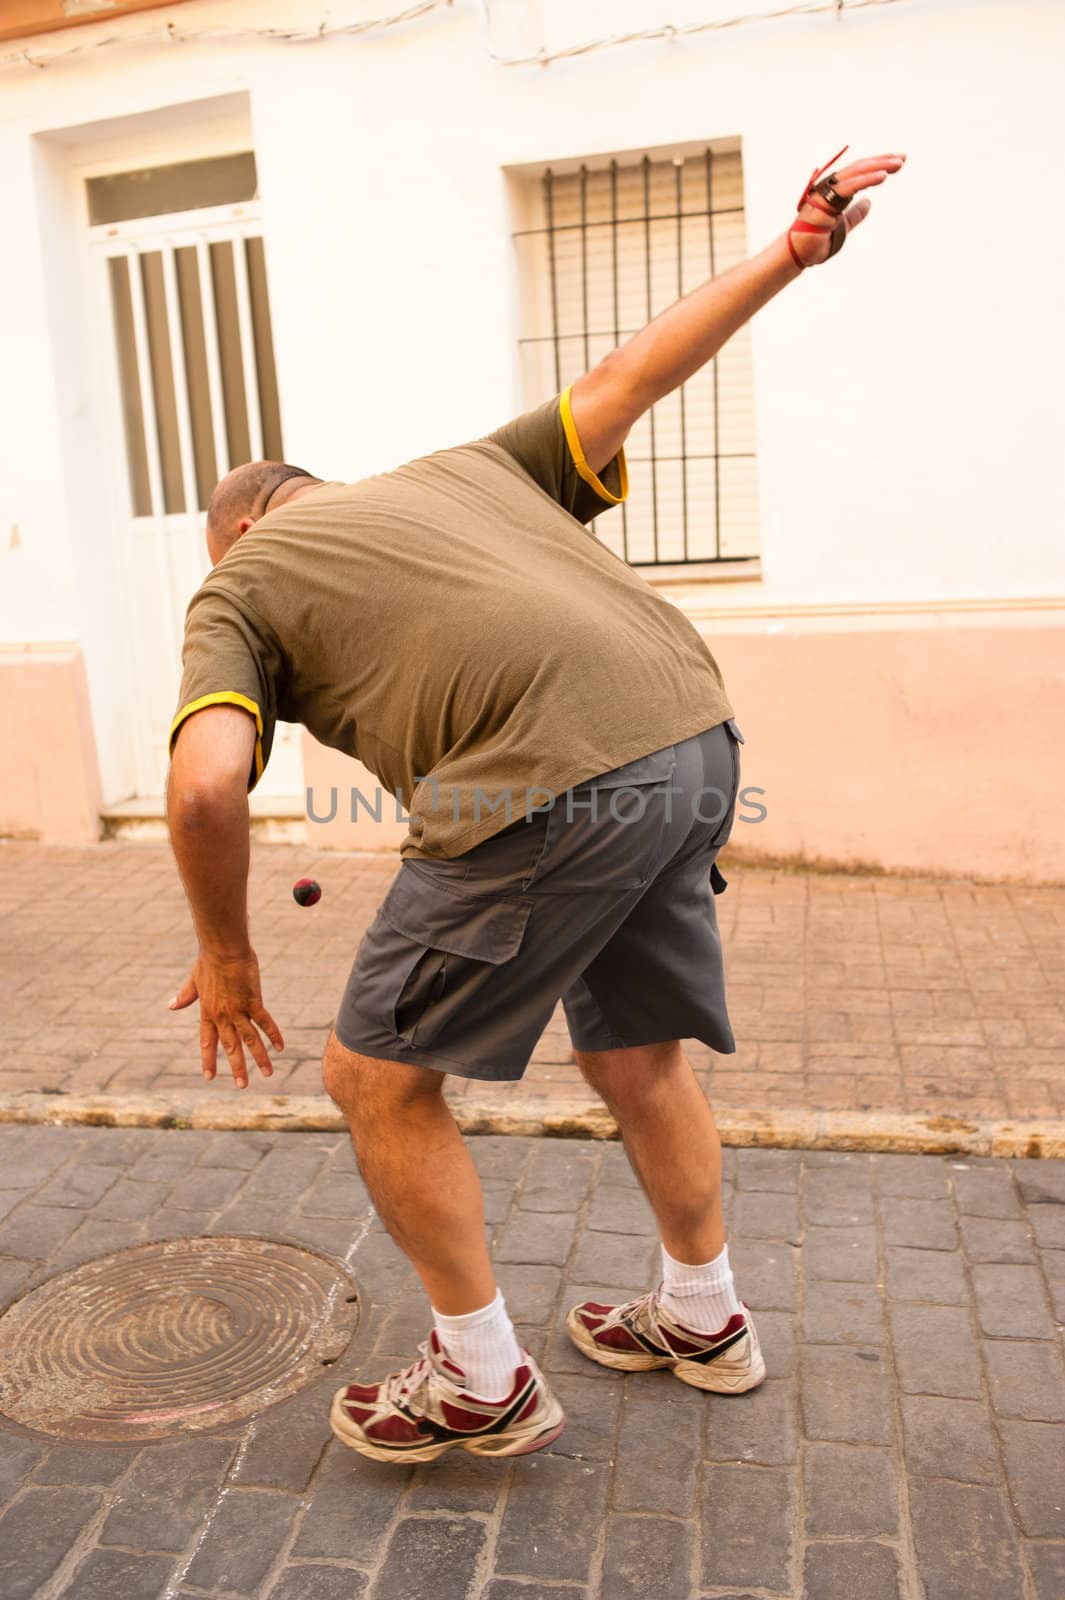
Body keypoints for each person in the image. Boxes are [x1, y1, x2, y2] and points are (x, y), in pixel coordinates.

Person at [167, 148, 905, 1463]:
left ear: (232, 533)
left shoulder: (240, 580)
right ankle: (703, 1316)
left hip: (545, 775)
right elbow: (636, 372)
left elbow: (206, 782)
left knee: (374, 1078)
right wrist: (790, 252)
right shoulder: (460, 473)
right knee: (633, 1052)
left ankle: (478, 1381)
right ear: (319, 490)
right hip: (692, 732)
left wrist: (226, 955)